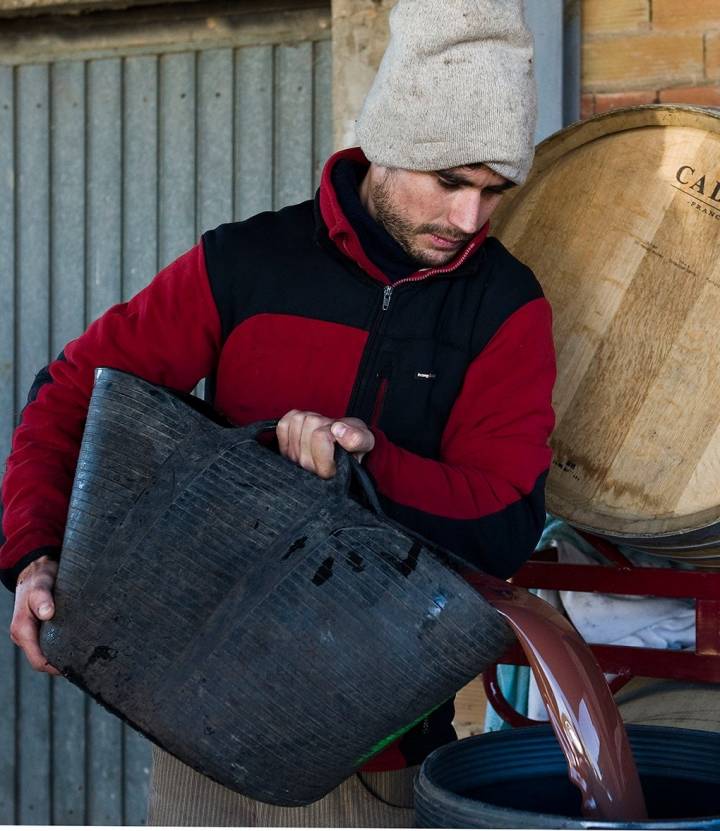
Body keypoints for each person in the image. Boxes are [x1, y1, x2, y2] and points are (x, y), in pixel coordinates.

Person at [0, 0, 555, 826]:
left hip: (374, 745)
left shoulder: (507, 307)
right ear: (393, 141)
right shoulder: (246, 263)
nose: (468, 221)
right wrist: (38, 553)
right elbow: (71, 394)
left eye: (494, 190)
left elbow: (506, 518)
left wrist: (368, 466)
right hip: (190, 706)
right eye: (450, 182)